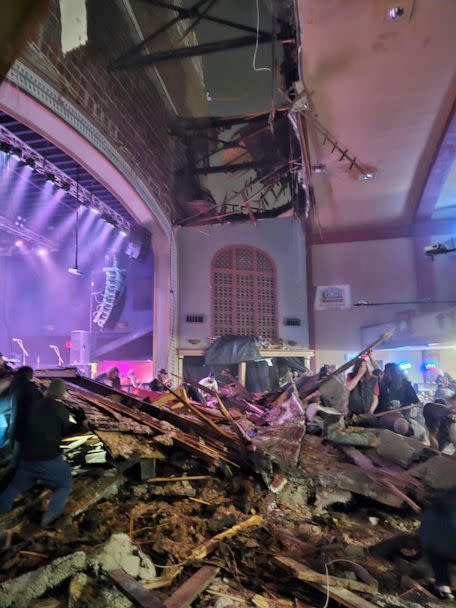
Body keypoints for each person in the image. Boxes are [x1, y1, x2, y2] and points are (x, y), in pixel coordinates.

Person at [0, 379, 74, 528]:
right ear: (61, 394)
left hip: (26, 458)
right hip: (47, 459)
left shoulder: (34, 404)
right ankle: (49, 520)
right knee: (65, 484)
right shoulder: (61, 410)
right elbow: (66, 430)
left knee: (15, 487)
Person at [420, 488, 456, 600]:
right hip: (447, 544)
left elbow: (424, 529)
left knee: (436, 556)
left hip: (434, 544)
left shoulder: (442, 497)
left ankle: (444, 590)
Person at [377, 363, 420, 436]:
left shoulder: (406, 385)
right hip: (386, 414)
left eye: (386, 371)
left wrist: (403, 408)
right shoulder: (383, 385)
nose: (384, 373)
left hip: (402, 414)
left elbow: (415, 400)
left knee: (402, 426)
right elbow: (379, 402)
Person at [10, 366, 42, 447]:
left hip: (16, 422)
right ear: (30, 375)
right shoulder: (32, 388)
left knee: (16, 449)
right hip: (26, 424)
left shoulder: (15, 385)